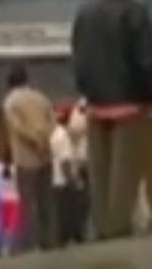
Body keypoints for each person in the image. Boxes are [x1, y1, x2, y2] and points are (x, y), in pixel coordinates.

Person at [71, 0, 152, 241]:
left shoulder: (84, 15)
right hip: (129, 102)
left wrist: (87, 91)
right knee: (124, 174)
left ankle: (100, 227)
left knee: (99, 175)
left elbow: (78, 59)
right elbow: (146, 59)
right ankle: (116, 230)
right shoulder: (135, 13)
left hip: (96, 103)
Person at [2, 65, 55, 252]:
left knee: (28, 202)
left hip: (25, 159)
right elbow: (52, 121)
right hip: (46, 156)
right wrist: (43, 139)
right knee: (46, 201)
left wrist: (34, 141)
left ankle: (30, 243)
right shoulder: (41, 97)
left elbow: (18, 128)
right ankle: (48, 241)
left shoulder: (10, 102)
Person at [50, 103, 88, 246]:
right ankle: (67, 239)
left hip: (55, 180)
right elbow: (65, 161)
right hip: (63, 181)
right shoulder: (63, 136)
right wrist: (73, 180)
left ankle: (62, 239)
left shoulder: (55, 133)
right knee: (67, 213)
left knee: (60, 213)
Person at [0, 156, 20, 257]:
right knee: (11, 226)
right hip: (13, 200)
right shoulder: (15, 169)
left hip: (0, 199)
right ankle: (7, 249)